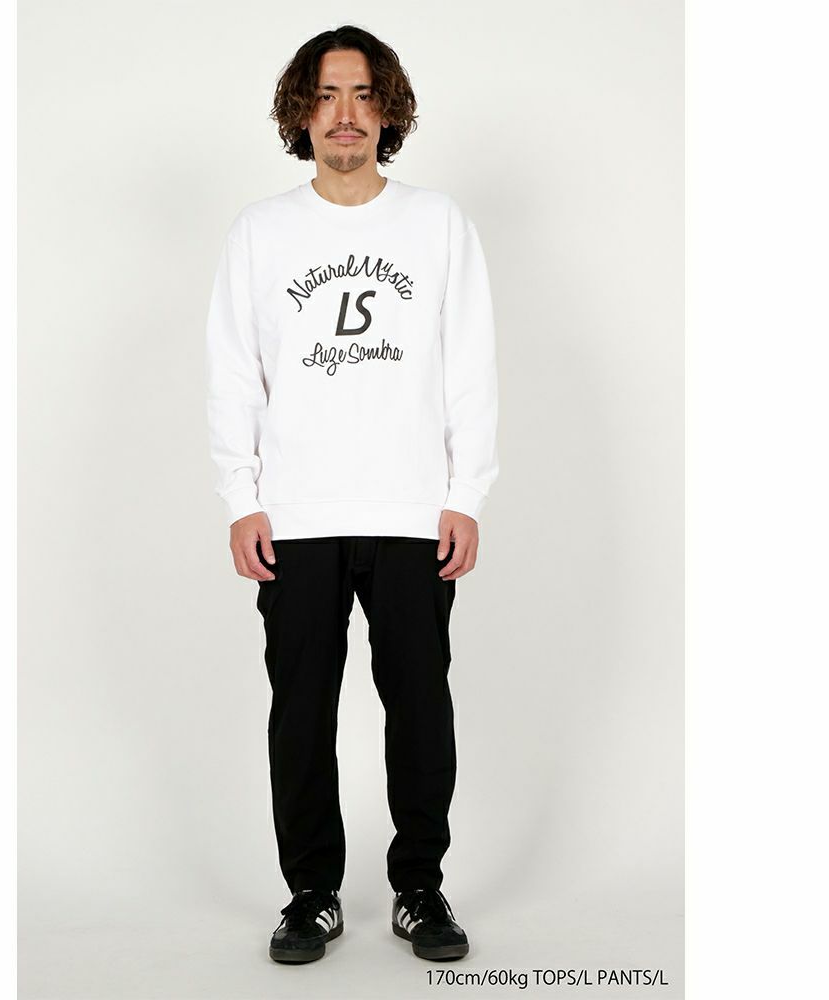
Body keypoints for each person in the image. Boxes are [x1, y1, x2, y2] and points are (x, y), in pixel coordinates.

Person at [204, 24, 499, 964]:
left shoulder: (437, 223)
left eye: (364, 94)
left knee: (421, 707)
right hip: (296, 515)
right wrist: (242, 498)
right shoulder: (261, 232)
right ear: (302, 111)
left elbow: (470, 366)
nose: (345, 115)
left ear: (388, 111)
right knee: (301, 711)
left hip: (413, 512)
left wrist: (467, 494)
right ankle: (311, 894)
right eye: (327, 95)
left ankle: (419, 888)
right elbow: (233, 374)